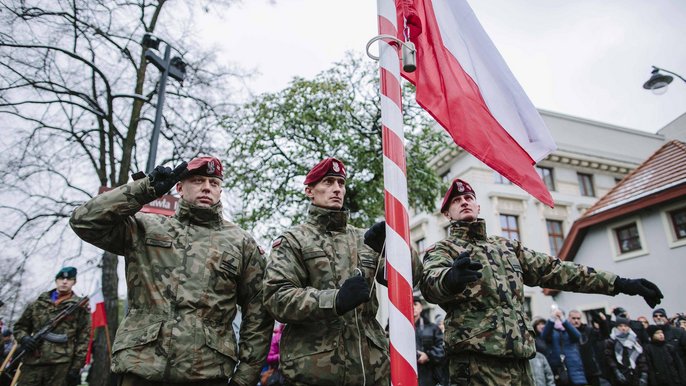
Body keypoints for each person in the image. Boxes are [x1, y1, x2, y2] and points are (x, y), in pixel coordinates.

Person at [419, 178, 664, 386]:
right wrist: (450, 279)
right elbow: (429, 284)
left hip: (521, 361)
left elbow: (556, 270)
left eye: (469, 198)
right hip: (476, 364)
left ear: (478, 206)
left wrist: (620, 283)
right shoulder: (443, 249)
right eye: (456, 201)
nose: (464, 202)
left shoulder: (505, 247)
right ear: (447, 214)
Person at [70, 156, 272, 386]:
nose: (207, 187)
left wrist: (245, 377)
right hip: (140, 368)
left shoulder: (241, 243)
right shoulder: (145, 227)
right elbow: (83, 220)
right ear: (179, 187)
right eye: (197, 180)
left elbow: (259, 311)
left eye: (213, 183)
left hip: (206, 374)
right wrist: (145, 188)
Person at [263, 157, 422, 385]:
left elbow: (411, 278)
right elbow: (276, 297)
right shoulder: (293, 240)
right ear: (310, 191)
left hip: (373, 371)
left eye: (340, 183)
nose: (336, 189)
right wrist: (334, 299)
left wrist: (395, 246)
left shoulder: (364, 238)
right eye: (328, 182)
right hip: (317, 372)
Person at [12, 267, 90, 386]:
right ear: (56, 280)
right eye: (61, 278)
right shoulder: (37, 304)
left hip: (61, 365)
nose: (64, 282)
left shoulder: (79, 308)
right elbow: (19, 327)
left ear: (74, 282)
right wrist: (24, 339)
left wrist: (76, 367)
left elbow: (83, 339)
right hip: (33, 362)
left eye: (69, 279)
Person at [541, 308, 586, 385]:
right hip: (559, 370)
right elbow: (544, 336)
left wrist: (563, 320)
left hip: (574, 368)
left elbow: (577, 336)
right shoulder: (552, 331)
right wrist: (552, 319)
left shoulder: (568, 330)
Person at [568, 310, 608, 386]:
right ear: (569, 318)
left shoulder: (588, 331)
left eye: (578, 318)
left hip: (591, 370)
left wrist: (601, 320)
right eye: (573, 318)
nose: (576, 321)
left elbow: (604, 334)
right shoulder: (565, 332)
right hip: (575, 372)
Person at [604, 317, 648, 386]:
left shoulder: (634, 340)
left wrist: (644, 374)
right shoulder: (611, 341)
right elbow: (609, 357)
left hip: (635, 373)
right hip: (620, 373)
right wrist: (616, 371)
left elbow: (641, 357)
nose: (623, 328)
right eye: (620, 326)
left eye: (625, 326)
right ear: (616, 327)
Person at [413, 296, 446, 386]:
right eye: (410, 304)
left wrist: (428, 355)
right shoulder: (400, 329)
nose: (413, 307)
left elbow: (442, 348)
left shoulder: (433, 328)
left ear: (421, 307)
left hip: (429, 374)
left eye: (415, 304)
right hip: (408, 372)